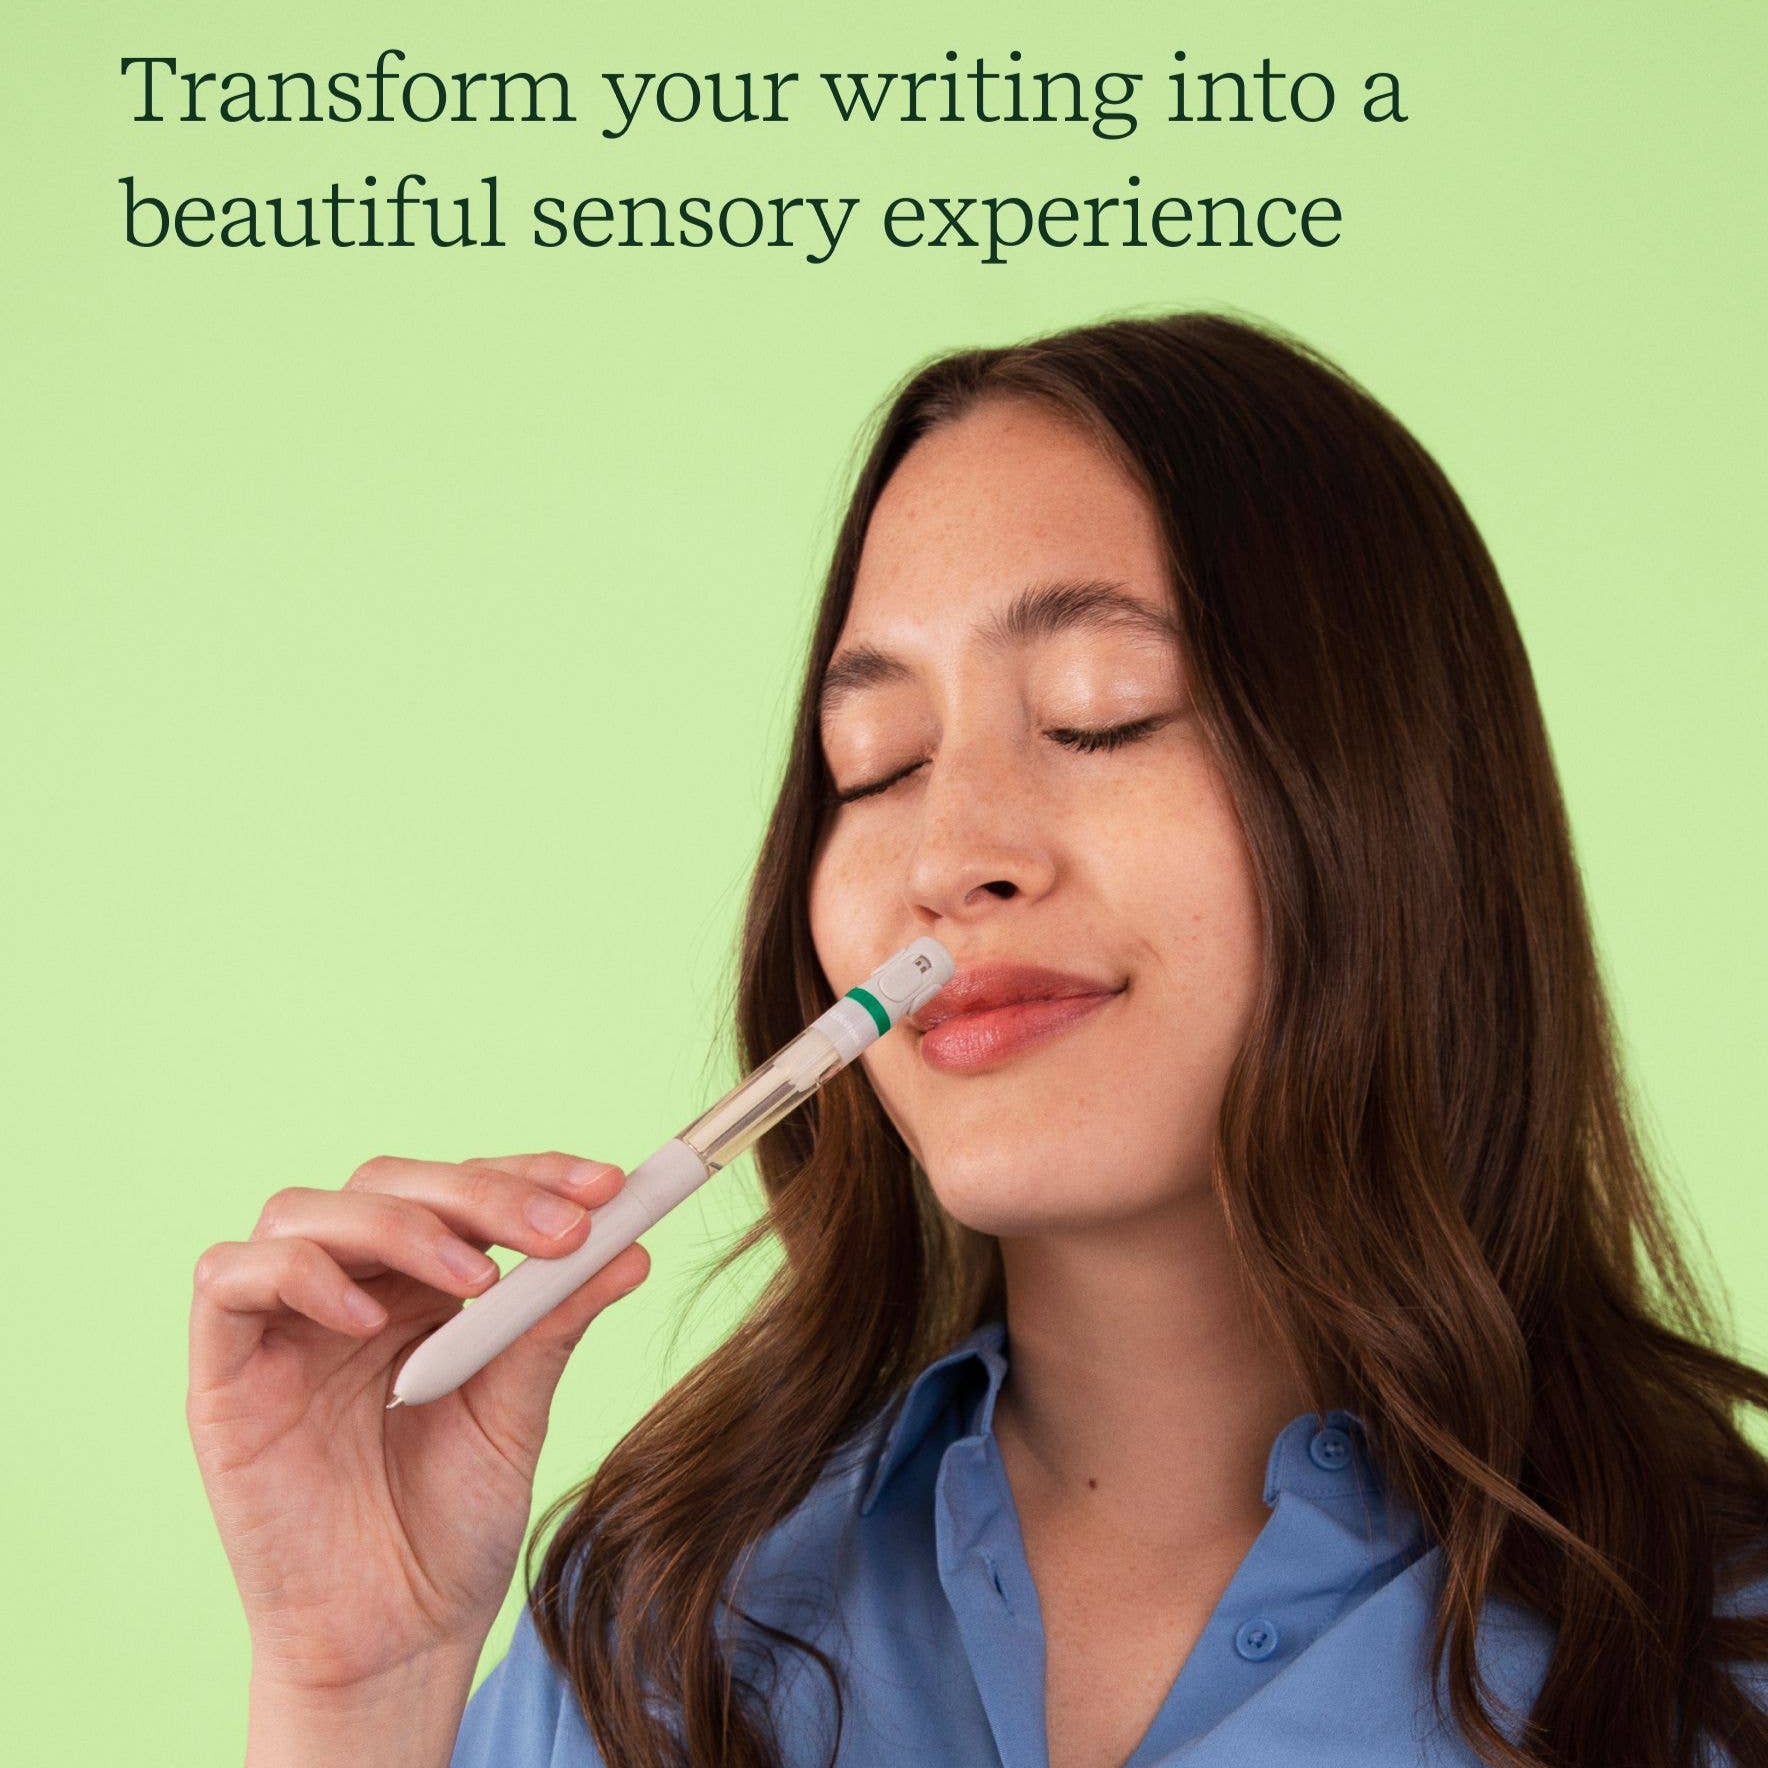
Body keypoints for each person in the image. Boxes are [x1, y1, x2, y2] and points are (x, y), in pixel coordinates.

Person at [188, 311, 1768, 1768]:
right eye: (876, 763)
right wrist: (356, 1693)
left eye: (1099, 713)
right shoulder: (659, 1630)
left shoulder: (1716, 1653)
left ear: (1402, 802)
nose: (948, 856)